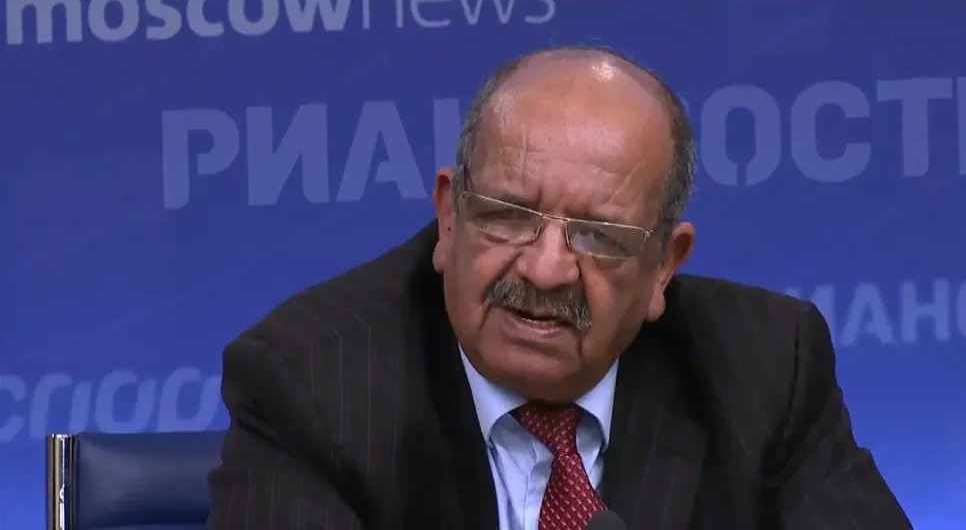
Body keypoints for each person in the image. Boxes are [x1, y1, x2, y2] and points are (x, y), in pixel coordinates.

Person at [206, 46, 912, 530]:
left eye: (598, 236)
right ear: (449, 218)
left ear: (663, 266)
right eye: (509, 217)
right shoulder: (312, 381)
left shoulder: (766, 366)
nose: (545, 271)